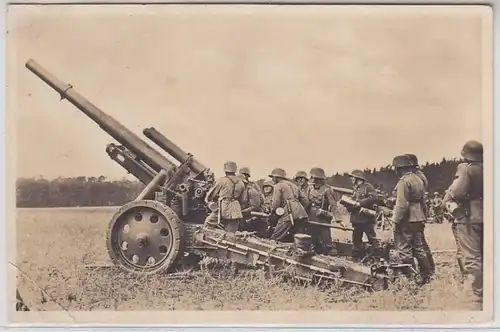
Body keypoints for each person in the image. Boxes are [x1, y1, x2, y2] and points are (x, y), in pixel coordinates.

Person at [443, 140, 483, 303]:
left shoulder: (466, 169)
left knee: (471, 256)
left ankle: (477, 293)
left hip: (469, 216)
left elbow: (458, 192)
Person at [391, 155, 432, 285]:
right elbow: (423, 201)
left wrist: (395, 221)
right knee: (419, 248)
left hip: (407, 219)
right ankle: (427, 276)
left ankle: (410, 278)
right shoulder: (418, 179)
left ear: (399, 168)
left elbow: (402, 204)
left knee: (404, 250)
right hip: (418, 217)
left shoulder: (404, 181)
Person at [404, 153, 435, 276]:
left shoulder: (416, 177)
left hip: (416, 213)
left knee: (419, 244)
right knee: (420, 243)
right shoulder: (419, 175)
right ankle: (428, 270)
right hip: (419, 212)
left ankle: (428, 271)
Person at [305, 167, 342, 254]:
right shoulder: (310, 188)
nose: (313, 181)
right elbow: (306, 202)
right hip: (311, 216)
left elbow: (333, 205)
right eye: (312, 178)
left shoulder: (327, 189)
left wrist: (339, 219)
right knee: (313, 236)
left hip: (322, 217)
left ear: (320, 179)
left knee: (326, 237)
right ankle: (316, 253)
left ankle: (332, 254)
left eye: (315, 179)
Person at [347, 169, 382, 261]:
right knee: (356, 238)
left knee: (372, 238)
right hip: (357, 219)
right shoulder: (355, 189)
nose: (351, 179)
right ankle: (357, 257)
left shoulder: (367, 187)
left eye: (352, 177)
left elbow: (374, 197)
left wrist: (360, 203)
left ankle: (378, 257)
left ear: (357, 178)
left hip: (366, 218)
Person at [268, 168, 310, 242]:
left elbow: (275, 203)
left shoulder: (278, 185)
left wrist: (273, 213)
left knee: (276, 236)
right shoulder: (294, 185)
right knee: (299, 238)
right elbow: (306, 201)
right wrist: (299, 210)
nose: (272, 179)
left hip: (289, 212)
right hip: (301, 213)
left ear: (277, 178)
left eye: (273, 177)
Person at [204, 161, 246, 232]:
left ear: (225, 170)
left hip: (223, 208)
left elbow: (210, 196)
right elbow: (243, 200)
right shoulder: (241, 183)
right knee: (231, 234)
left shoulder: (222, 180)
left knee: (208, 223)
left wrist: (210, 202)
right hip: (236, 210)